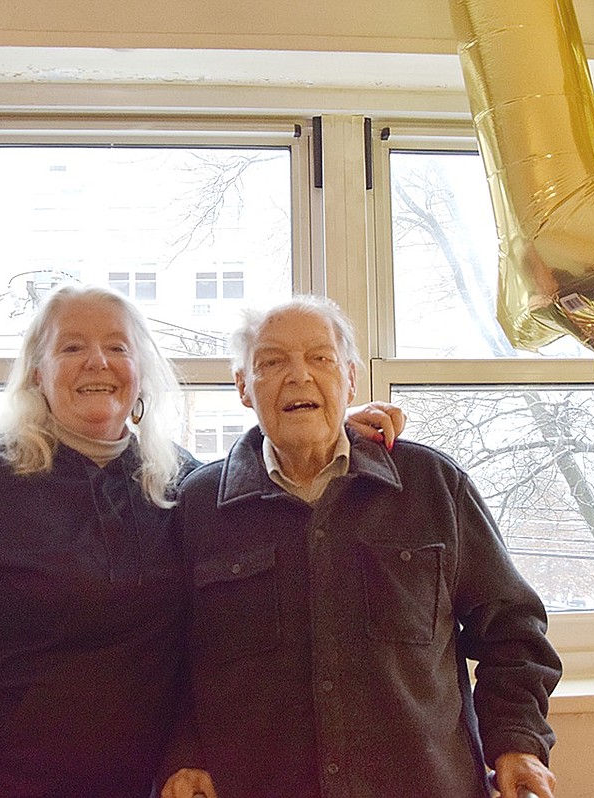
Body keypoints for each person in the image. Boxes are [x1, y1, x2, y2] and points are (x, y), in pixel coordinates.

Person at [0, 283, 405, 798]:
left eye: (118, 347)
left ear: (141, 371)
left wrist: (332, 426)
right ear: (36, 372)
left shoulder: (178, 484)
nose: (97, 361)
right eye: (72, 347)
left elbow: (263, 501)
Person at [163, 295, 563, 798]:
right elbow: (168, 656)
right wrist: (185, 753)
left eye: (320, 358)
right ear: (243, 387)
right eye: (271, 362)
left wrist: (516, 742)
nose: (299, 376)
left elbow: (513, 630)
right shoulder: (198, 506)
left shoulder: (432, 485)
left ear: (350, 377)